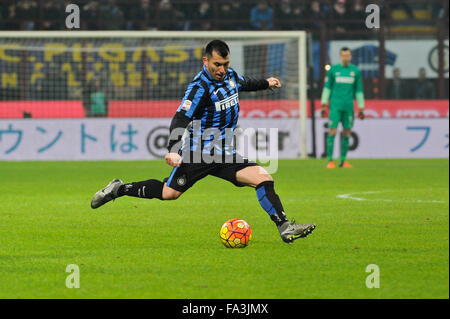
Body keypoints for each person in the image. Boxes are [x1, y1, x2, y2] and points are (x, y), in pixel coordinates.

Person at [91, 40, 316, 244]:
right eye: (217, 64)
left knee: (264, 178)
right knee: (169, 193)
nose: (222, 69)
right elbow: (181, 117)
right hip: (199, 153)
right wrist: (173, 150)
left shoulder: (230, 75)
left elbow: (245, 83)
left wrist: (266, 83)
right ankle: (119, 189)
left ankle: (285, 226)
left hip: (226, 151)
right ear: (205, 60)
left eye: (226, 64)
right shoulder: (199, 88)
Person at [320, 47, 365, 169]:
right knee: (332, 131)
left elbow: (359, 90)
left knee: (347, 132)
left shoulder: (355, 71)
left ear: (351, 56)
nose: (346, 58)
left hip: (348, 107)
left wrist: (361, 107)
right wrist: (324, 104)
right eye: (344, 55)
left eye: (348, 55)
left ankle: (343, 160)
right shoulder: (333, 70)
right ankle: (330, 160)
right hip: (335, 106)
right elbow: (327, 87)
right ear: (340, 56)